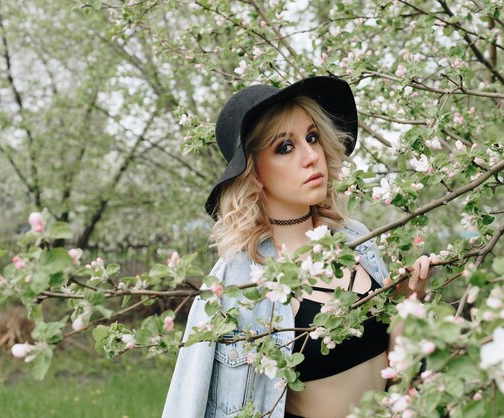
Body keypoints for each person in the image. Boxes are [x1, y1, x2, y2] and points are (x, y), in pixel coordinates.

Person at [162, 76, 432, 418]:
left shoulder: (355, 240)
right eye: (284, 147)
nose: (311, 156)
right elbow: (191, 403)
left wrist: (410, 302)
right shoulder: (241, 282)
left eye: (312, 137)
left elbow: (396, 376)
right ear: (254, 171)